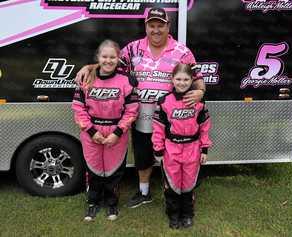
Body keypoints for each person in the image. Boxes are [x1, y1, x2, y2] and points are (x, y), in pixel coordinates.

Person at [76, 7, 205, 208]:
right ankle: (144, 193)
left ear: (168, 26)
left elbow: (198, 79)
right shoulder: (132, 49)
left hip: (171, 118)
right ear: (146, 27)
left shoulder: (182, 52)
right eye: (152, 26)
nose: (156, 30)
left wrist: (200, 92)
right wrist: (89, 67)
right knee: (143, 156)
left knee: (170, 157)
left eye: (160, 26)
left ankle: (177, 193)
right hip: (140, 116)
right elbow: (109, 65)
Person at [72, 39, 139, 221]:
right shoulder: (86, 78)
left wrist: (117, 133)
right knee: (93, 169)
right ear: (98, 57)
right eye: (104, 56)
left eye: (112, 57)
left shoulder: (126, 81)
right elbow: (78, 109)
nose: (108, 60)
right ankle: (93, 203)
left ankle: (111, 204)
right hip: (91, 131)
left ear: (118, 59)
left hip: (117, 132)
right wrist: (92, 132)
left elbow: (132, 111)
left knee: (113, 170)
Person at [152, 63, 212, 229]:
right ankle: (173, 214)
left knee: (188, 184)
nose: (182, 82)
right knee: (172, 184)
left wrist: (204, 149)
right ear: (172, 79)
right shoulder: (164, 101)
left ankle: (187, 214)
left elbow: (204, 126)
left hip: (192, 148)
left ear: (192, 80)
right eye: (178, 79)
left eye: (186, 79)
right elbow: (158, 127)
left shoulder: (198, 101)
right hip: (171, 149)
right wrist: (158, 148)